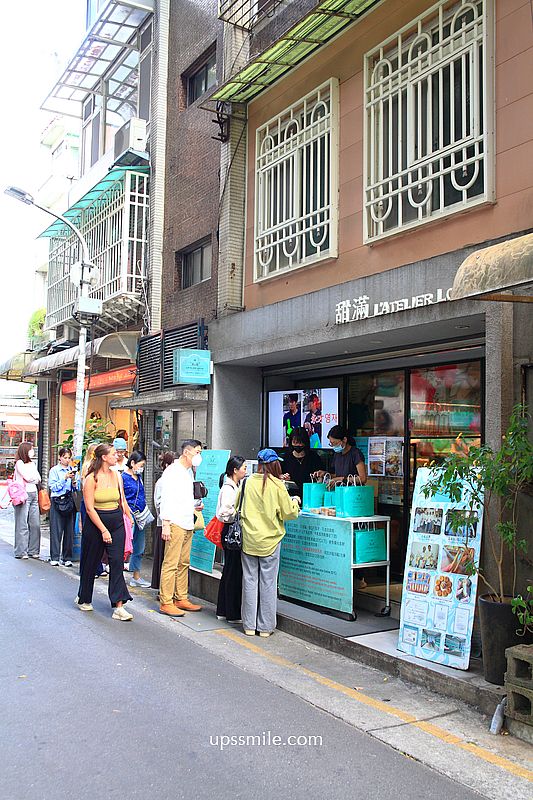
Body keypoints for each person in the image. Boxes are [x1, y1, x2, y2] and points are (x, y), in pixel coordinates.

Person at [239, 448, 300, 637]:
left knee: (249, 581)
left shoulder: (247, 482)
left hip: (249, 539)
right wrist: (295, 502)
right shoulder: (278, 485)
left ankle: (249, 625)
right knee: (268, 582)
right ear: (275, 464)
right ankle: (265, 628)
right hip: (270, 541)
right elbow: (288, 513)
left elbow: (236, 506)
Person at [76, 443, 133, 620]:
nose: (117, 456)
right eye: (114, 454)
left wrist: (128, 517)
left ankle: (119, 606)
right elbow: (89, 509)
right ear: (104, 457)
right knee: (91, 562)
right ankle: (84, 597)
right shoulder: (91, 479)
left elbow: (122, 499)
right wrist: (103, 530)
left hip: (116, 522)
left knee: (117, 562)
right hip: (96, 524)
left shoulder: (117, 475)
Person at [158, 439, 204, 616]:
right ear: (187, 452)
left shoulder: (188, 472)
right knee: (171, 563)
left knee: (184, 562)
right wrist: (166, 524)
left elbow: (184, 496)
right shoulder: (173, 472)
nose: (199, 456)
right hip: (175, 522)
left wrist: (194, 506)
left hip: (187, 521)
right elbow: (166, 498)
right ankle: (166, 601)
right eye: (197, 452)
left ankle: (181, 597)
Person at [215, 456, 248, 623]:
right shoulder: (229, 488)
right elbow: (223, 513)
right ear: (235, 470)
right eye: (243, 468)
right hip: (231, 531)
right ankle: (232, 613)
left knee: (229, 571)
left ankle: (223, 610)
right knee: (233, 572)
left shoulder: (234, 485)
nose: (246, 470)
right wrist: (239, 513)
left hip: (229, 531)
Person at [122, 450, 151, 588]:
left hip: (141, 516)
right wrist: (128, 514)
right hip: (129, 516)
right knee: (125, 546)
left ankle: (136, 576)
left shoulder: (138, 477)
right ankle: (118, 575)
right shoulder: (123, 477)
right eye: (140, 464)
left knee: (139, 546)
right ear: (132, 463)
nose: (142, 468)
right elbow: (121, 498)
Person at [151, 450, 176, 592]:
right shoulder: (162, 482)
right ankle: (164, 590)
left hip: (173, 523)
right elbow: (158, 504)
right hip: (164, 525)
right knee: (165, 560)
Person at [81, 442, 106, 578]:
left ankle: (97, 567)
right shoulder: (88, 468)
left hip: (98, 506)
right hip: (90, 504)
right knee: (91, 537)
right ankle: (90, 568)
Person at [48, 447, 77, 567]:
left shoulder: (72, 469)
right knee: (56, 530)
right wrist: (64, 478)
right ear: (59, 457)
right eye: (64, 457)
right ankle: (54, 556)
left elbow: (75, 488)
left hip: (69, 500)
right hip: (57, 500)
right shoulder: (54, 470)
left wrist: (74, 482)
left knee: (69, 530)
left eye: (68, 458)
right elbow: (53, 487)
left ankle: (67, 557)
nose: (67, 460)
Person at [13, 441, 41, 560]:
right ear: (25, 450)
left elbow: (38, 479)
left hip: (34, 494)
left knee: (35, 524)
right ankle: (21, 551)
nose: (32, 451)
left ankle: (33, 550)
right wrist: (33, 478)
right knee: (22, 524)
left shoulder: (32, 464)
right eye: (31, 449)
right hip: (23, 495)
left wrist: (33, 479)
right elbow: (29, 477)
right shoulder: (19, 463)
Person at [281, 427, 324, 498]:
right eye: (295, 442)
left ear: (305, 442)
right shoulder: (285, 458)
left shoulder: (314, 457)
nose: (298, 445)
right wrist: (283, 477)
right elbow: (279, 476)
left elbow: (322, 475)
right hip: (291, 496)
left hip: (311, 495)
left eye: (300, 442)